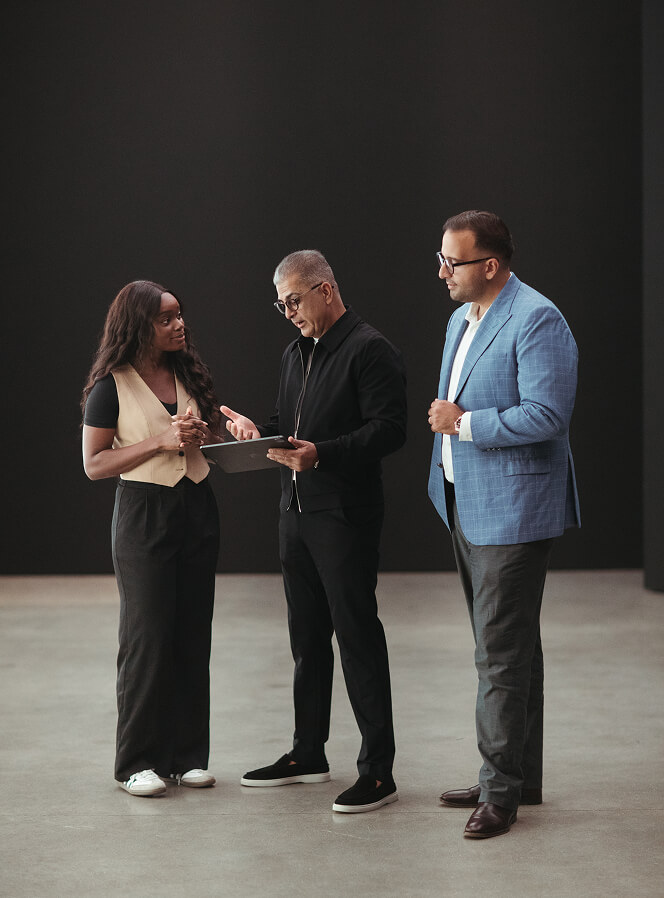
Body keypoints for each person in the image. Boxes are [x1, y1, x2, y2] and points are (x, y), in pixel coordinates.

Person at [221, 250, 407, 813]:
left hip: (344, 517)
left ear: (326, 289)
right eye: (280, 304)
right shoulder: (296, 352)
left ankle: (378, 772)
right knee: (306, 640)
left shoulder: (370, 349)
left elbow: (390, 431)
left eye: (294, 301)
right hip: (295, 516)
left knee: (356, 638)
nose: (288, 313)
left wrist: (320, 456)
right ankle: (309, 752)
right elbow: (292, 429)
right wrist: (260, 433)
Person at [427, 211, 580, 839]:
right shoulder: (460, 319)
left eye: (453, 262)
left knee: (499, 656)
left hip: (513, 512)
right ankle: (519, 776)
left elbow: (547, 413)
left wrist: (463, 424)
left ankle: (498, 794)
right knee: (516, 651)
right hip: (467, 502)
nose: (442, 272)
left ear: (490, 265)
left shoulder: (537, 317)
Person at [81, 280, 224, 797]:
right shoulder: (109, 387)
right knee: (147, 637)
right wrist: (158, 440)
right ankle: (136, 761)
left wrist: (232, 435)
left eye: (179, 315)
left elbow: (206, 440)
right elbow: (94, 464)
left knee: (192, 633)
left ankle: (187, 757)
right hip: (144, 513)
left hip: (196, 508)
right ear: (139, 325)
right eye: (166, 318)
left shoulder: (188, 372)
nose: (179, 324)